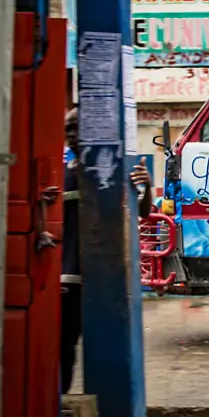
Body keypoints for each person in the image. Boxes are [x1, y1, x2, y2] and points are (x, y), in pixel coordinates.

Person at [61, 106, 153, 394]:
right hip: (67, 280)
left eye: (79, 128)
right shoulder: (61, 174)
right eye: (69, 130)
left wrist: (147, 186)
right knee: (64, 350)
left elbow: (143, 210)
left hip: (101, 280)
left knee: (103, 349)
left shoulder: (112, 171)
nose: (74, 136)